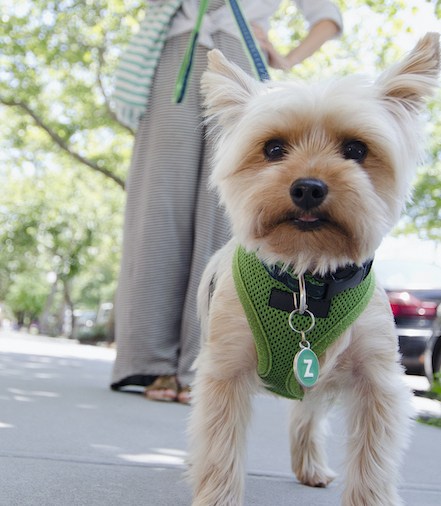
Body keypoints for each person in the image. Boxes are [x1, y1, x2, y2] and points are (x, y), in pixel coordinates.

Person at [110, 0, 343, 403]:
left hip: (239, 49)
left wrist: (286, 58)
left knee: (231, 208)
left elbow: (327, 15)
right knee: (157, 204)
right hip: (172, 48)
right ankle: (151, 361)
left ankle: (207, 363)